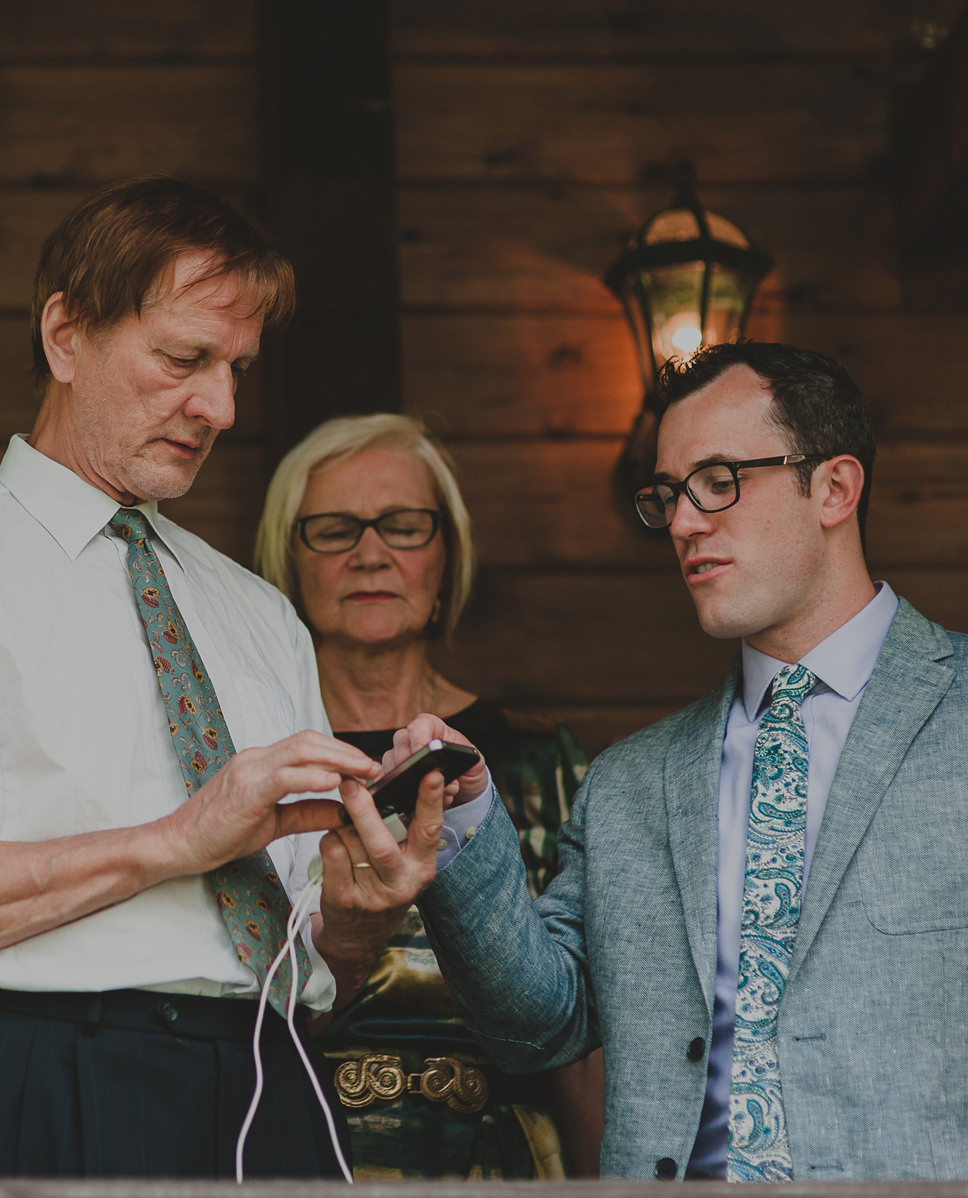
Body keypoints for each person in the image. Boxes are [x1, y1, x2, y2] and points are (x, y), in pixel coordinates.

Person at [0, 177, 479, 1179]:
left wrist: (356, 922)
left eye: (236, 368)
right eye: (184, 358)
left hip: (276, 1080)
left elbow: (304, 960)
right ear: (65, 336)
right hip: (45, 1069)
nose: (221, 406)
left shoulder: (258, 612)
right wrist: (176, 839)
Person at [358, 341, 968, 1180]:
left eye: (719, 481)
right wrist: (466, 818)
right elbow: (539, 1027)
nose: (683, 521)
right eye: (669, 494)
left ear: (834, 488)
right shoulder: (629, 784)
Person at [254, 413, 601, 1180]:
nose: (369, 553)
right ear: (289, 562)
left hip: (501, 1165)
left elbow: (588, 1029)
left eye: (403, 527)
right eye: (333, 529)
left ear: (447, 558)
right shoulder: (259, 763)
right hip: (301, 1156)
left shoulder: (536, 755)